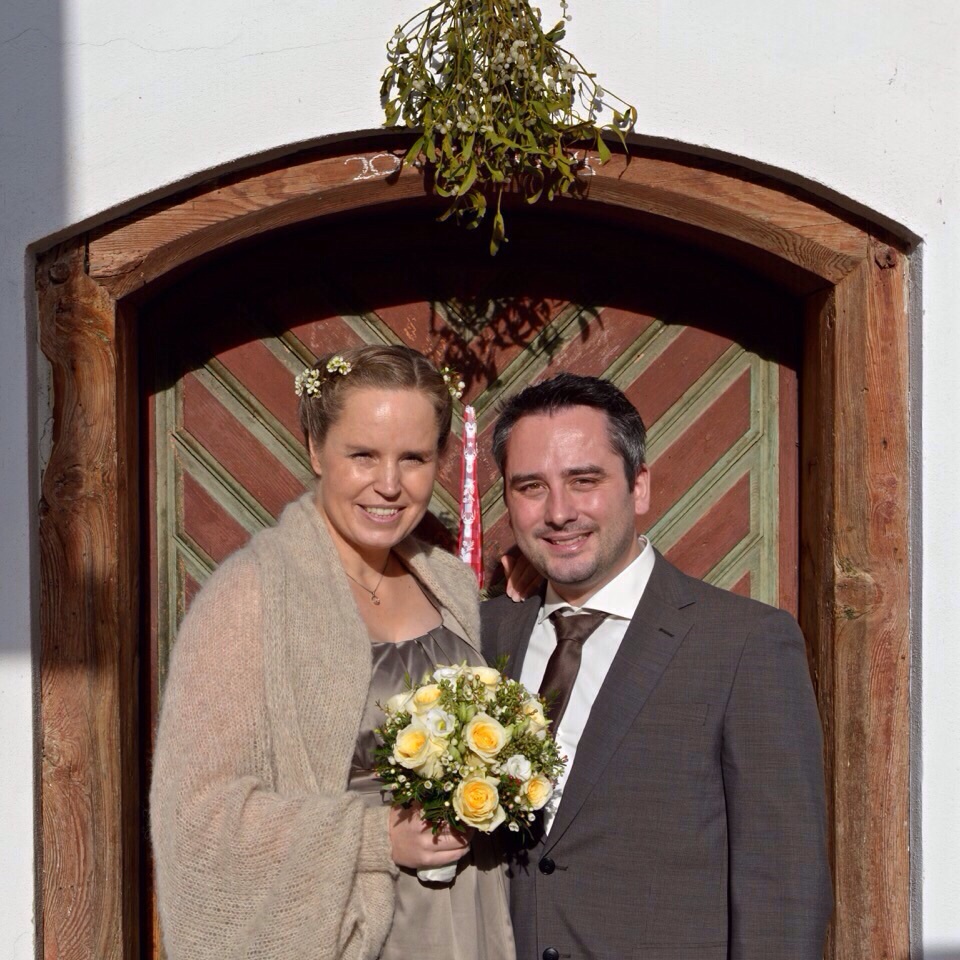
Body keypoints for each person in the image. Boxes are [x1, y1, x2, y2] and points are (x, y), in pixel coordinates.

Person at [150, 344, 515, 960]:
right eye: (363, 455)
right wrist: (375, 836)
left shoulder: (448, 581)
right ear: (317, 450)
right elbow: (197, 817)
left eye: (414, 458)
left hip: (471, 913)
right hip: (352, 930)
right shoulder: (252, 594)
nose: (389, 484)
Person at [482, 373, 832, 960]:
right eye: (531, 487)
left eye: (584, 481)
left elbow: (783, 888)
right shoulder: (482, 635)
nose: (558, 512)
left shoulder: (744, 643)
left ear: (638, 486)